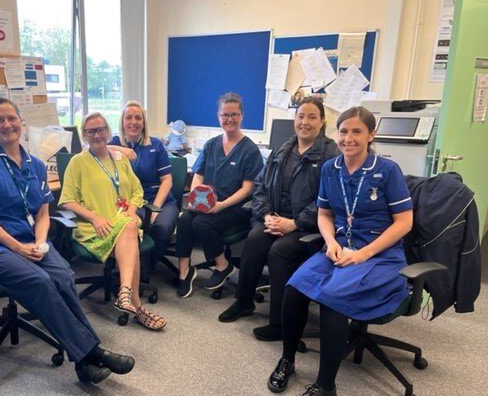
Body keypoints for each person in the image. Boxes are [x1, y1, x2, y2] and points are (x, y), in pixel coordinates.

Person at [0, 97, 135, 385]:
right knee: (40, 281)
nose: (6, 125)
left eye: (11, 118)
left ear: (21, 122)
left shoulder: (35, 164)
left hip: (30, 240)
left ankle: (84, 361)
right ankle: (92, 353)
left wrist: (40, 242)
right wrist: (17, 247)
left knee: (65, 275)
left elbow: (42, 213)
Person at [267, 106, 414, 396]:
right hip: (339, 248)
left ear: (371, 135)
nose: (349, 138)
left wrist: (364, 253)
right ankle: (288, 359)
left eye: (357, 131)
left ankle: (326, 387)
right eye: (344, 131)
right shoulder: (331, 168)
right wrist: (331, 242)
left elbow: (404, 222)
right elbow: (324, 214)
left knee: (333, 298)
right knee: (295, 288)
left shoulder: (387, 171)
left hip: (379, 256)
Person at [218, 97, 338, 341]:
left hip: (308, 227)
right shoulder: (283, 150)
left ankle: (280, 324)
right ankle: (244, 302)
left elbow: (328, 201)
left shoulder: (330, 154)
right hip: (275, 218)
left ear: (322, 122)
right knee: (254, 239)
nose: (304, 122)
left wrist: (293, 223)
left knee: (279, 252)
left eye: (311, 117)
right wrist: (266, 215)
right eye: (300, 116)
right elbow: (260, 186)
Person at [60, 112, 167, 331]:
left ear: (109, 132)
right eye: (91, 131)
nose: (97, 135)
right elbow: (66, 201)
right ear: (84, 135)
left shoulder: (120, 159)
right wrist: (94, 217)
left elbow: (137, 190)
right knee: (130, 232)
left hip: (123, 221)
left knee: (129, 226)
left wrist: (132, 209)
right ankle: (134, 302)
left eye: (101, 129)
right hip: (94, 228)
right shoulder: (77, 162)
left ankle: (126, 294)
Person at [175, 92, 263, 298]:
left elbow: (248, 189)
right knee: (186, 219)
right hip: (209, 205)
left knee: (200, 223)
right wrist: (196, 198)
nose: (229, 119)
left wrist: (221, 205)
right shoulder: (211, 145)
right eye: (225, 115)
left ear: (242, 116)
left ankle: (223, 266)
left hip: (235, 208)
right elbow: (198, 175)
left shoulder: (250, 150)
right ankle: (184, 273)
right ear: (218, 117)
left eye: (234, 114)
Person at [109, 101, 179, 281]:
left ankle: (145, 269)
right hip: (129, 201)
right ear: (122, 122)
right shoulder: (114, 142)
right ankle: (133, 272)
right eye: (129, 118)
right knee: (130, 227)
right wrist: (123, 150)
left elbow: (167, 181)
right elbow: (91, 149)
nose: (134, 122)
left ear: (144, 122)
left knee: (162, 228)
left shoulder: (155, 145)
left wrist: (156, 208)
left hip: (159, 199)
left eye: (138, 118)